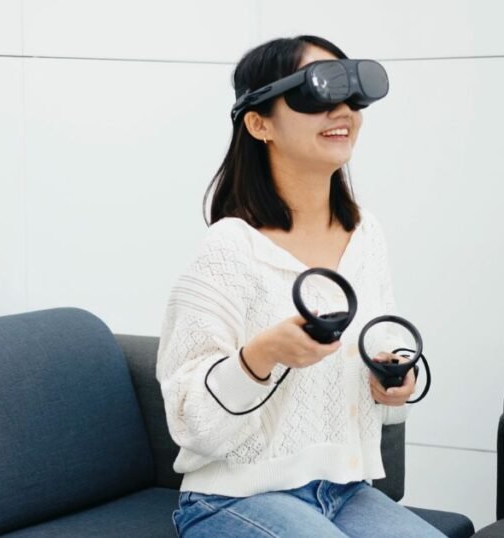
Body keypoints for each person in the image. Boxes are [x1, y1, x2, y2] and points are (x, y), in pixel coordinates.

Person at [156, 35, 445, 537]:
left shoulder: (365, 235)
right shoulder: (229, 249)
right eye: (316, 95)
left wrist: (393, 378)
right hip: (230, 498)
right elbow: (187, 421)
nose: (342, 111)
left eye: (352, 95)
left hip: (346, 490)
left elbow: (380, 342)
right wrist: (261, 356)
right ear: (259, 122)